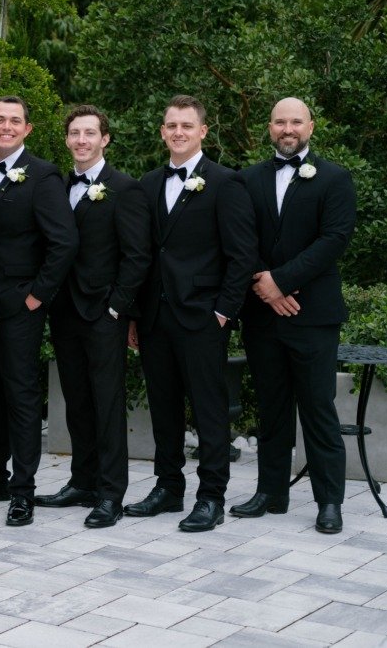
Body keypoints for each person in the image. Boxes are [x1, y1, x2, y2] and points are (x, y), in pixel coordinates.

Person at [125, 95, 256, 532]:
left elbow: (241, 256)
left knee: (209, 409)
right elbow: (141, 254)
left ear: (203, 131)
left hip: (202, 316)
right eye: (171, 125)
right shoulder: (145, 184)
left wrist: (223, 312)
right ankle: (168, 487)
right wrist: (133, 315)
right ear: (162, 132)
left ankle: (211, 496)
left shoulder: (225, 182)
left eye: (186, 125)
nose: (178, 132)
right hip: (154, 317)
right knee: (162, 407)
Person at [234, 97, 355, 534]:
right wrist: (264, 288)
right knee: (271, 408)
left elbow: (334, 239)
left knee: (318, 409)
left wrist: (281, 281)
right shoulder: (247, 180)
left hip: (313, 315)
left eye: (296, 122)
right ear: (270, 128)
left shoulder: (335, 179)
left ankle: (329, 501)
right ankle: (271, 492)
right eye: (281, 122)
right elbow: (238, 239)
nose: (288, 129)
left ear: (311, 127)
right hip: (263, 315)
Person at [0, 96, 77, 527]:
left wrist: (37, 297)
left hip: (18, 307)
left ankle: (22, 490)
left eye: (15, 121)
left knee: (21, 397)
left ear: (27, 129)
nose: (6, 127)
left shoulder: (43, 175)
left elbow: (63, 242)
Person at [38, 105, 150, 528]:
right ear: (67, 139)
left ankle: (110, 494)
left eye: (90, 133)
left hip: (104, 313)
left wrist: (117, 307)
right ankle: (81, 482)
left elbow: (136, 256)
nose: (81, 140)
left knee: (106, 404)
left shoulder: (125, 188)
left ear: (105, 139)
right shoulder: (58, 185)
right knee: (77, 402)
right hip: (64, 310)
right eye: (74, 133)